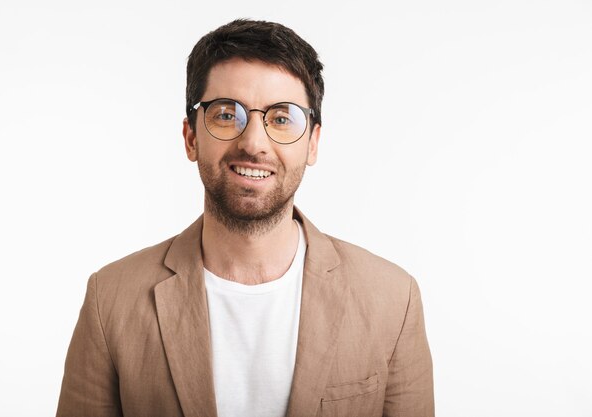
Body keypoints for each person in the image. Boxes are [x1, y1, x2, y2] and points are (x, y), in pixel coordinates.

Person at [56, 19, 434, 417]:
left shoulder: (393, 299)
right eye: (225, 114)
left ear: (313, 143)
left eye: (282, 118)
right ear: (190, 137)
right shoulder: (110, 299)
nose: (253, 143)